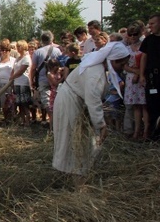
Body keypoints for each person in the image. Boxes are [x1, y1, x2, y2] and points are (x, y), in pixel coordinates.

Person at [52, 41, 130, 180]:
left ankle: (77, 174)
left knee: (83, 141)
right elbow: (93, 102)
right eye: (121, 64)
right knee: (74, 140)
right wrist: (101, 125)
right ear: (112, 60)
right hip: (70, 102)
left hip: (76, 101)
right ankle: (77, 180)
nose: (123, 68)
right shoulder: (96, 73)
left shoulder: (99, 69)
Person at [124, 24, 149, 140]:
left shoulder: (144, 46)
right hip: (131, 79)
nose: (133, 37)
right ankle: (136, 131)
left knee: (144, 105)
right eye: (130, 34)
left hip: (142, 77)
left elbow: (147, 62)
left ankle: (146, 131)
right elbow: (124, 65)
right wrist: (134, 72)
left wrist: (140, 73)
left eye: (135, 34)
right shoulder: (127, 49)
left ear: (140, 34)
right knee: (135, 106)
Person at [139, 14, 160, 140]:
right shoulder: (149, 40)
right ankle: (153, 135)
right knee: (152, 105)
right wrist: (141, 75)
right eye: (149, 23)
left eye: (153, 23)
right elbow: (143, 58)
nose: (150, 26)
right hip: (152, 77)